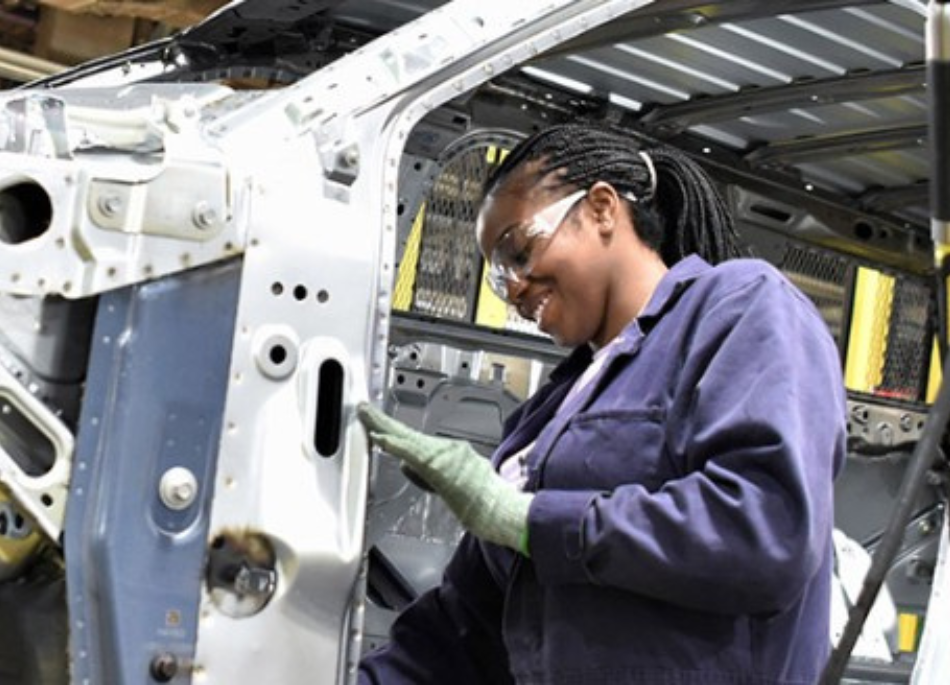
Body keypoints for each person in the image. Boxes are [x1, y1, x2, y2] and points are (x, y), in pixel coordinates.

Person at [357, 123, 847, 684]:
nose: (514, 286)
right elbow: (459, 633)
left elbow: (764, 531)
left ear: (602, 208)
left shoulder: (739, 307)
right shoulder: (544, 418)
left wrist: (528, 521)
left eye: (520, 249)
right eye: (498, 276)